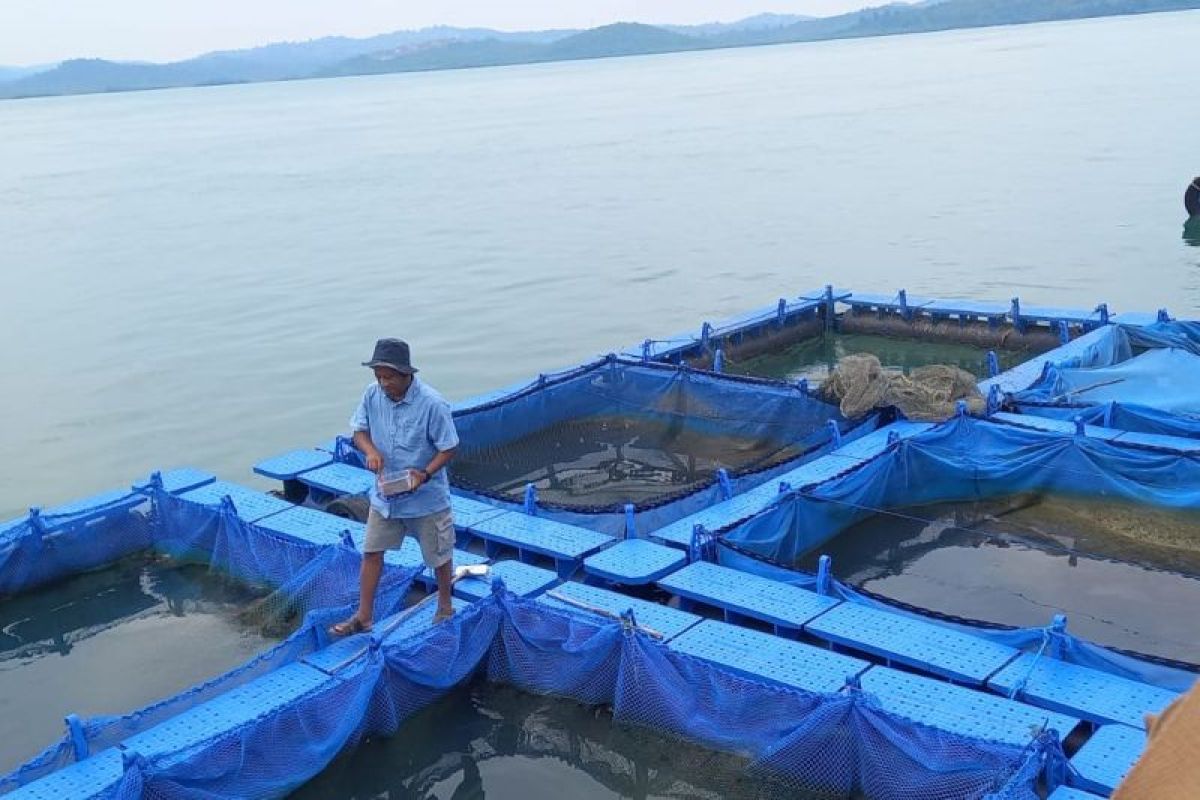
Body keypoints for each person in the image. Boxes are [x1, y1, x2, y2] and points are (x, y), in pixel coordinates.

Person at [330, 338, 459, 635]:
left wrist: (424, 474)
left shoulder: (432, 404)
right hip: (386, 496)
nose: (383, 383)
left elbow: (449, 448)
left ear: (406, 375)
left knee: (438, 555)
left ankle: (444, 605)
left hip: (426, 498)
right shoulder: (371, 395)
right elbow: (359, 432)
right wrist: (371, 452)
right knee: (372, 551)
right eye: (378, 377)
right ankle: (363, 616)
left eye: (389, 377)